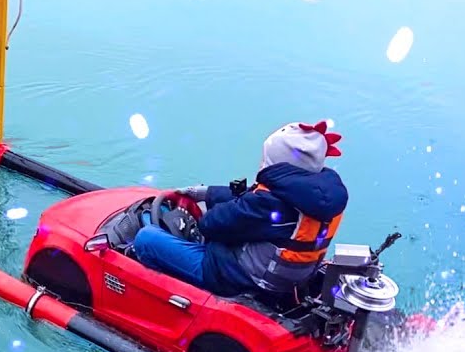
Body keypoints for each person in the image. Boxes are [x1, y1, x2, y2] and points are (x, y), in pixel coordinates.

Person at [132, 121, 348, 299]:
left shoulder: (267, 205)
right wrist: (206, 193)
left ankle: (161, 295)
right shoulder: (321, 197)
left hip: (237, 278)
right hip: (285, 280)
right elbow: (255, 203)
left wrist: (210, 208)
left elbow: (211, 225)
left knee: (146, 239)